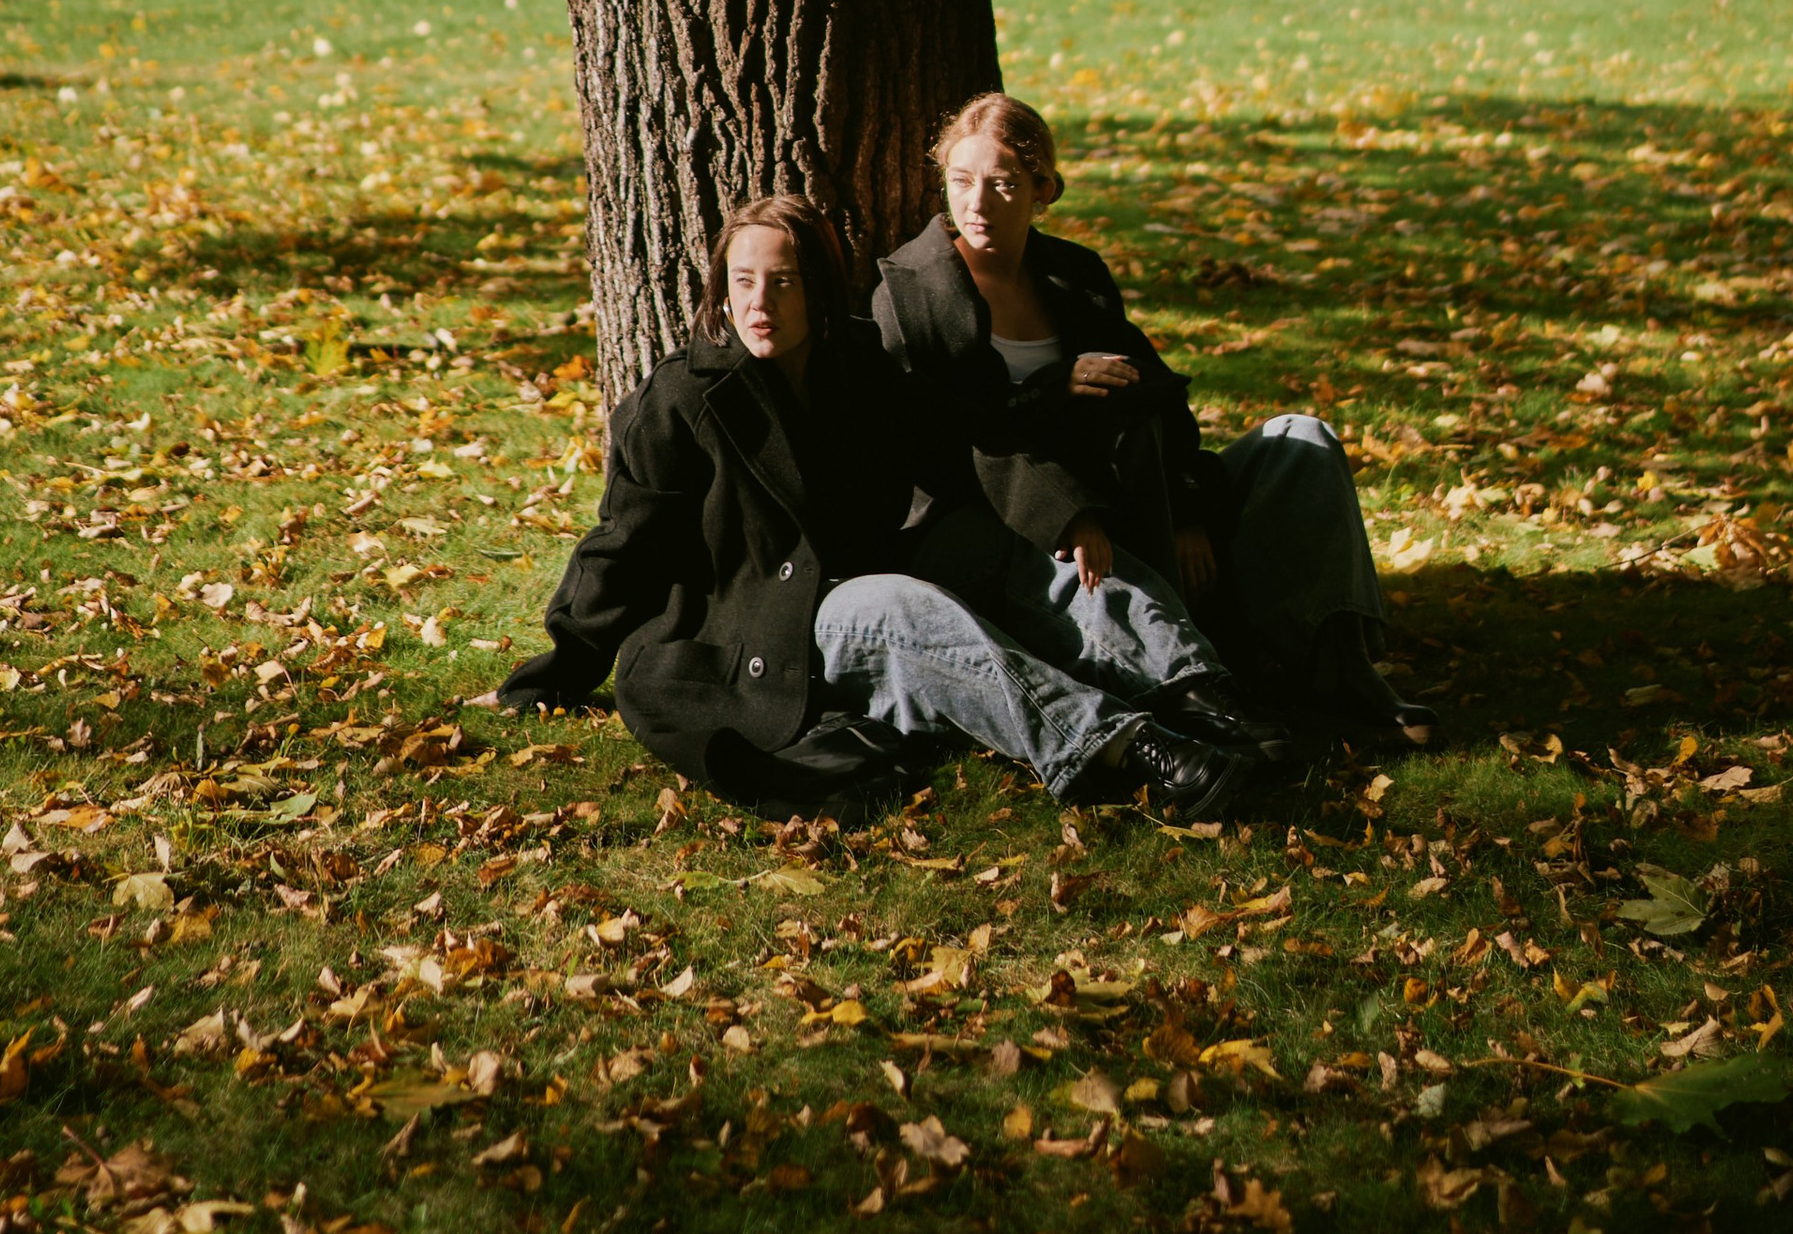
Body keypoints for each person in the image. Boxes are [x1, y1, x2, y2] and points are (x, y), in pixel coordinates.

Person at [498, 188, 1267, 818]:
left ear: (820, 290)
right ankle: (1136, 751)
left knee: (1012, 551)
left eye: (783, 281)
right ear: (720, 289)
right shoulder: (683, 398)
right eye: (742, 282)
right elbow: (623, 543)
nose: (759, 302)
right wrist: (558, 668)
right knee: (900, 608)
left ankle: (1212, 698)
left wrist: (1064, 487)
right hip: (762, 621)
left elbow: (972, 436)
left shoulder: (857, 363)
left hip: (872, 564)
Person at [873, 91, 1423, 762]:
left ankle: (1341, 669)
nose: (978, 203)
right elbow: (959, 439)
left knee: (1301, 441)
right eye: (961, 182)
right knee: (1084, 557)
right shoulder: (914, 290)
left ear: (1043, 188)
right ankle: (1201, 692)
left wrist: (1189, 503)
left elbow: (1152, 392)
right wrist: (1068, 484)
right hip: (1001, 523)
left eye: (1002, 183)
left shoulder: (1073, 273)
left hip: (1129, 488)